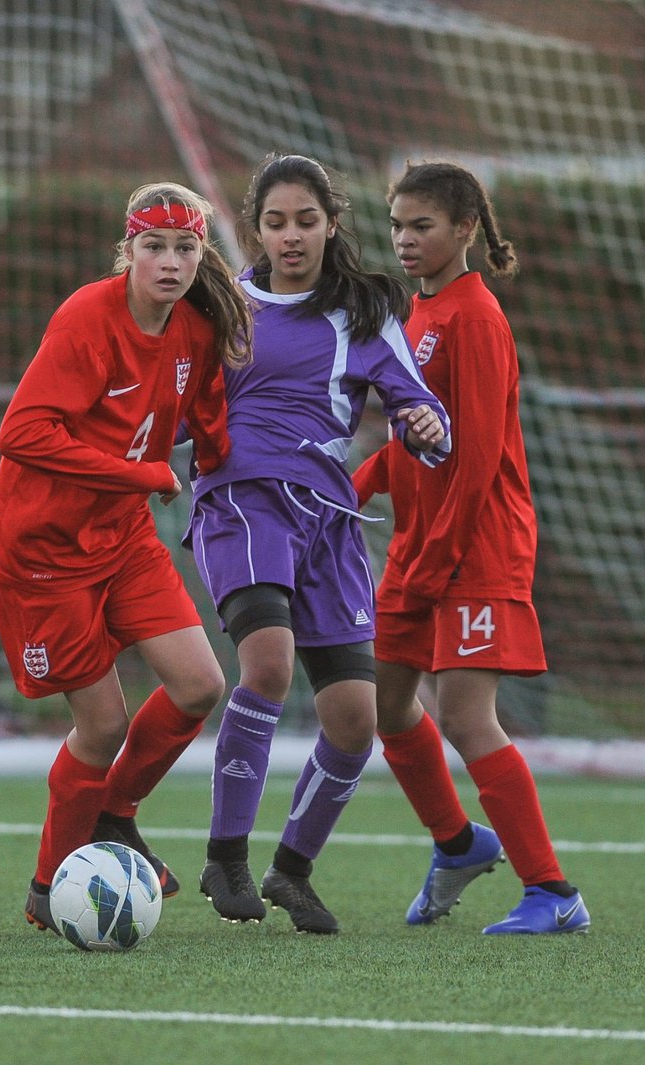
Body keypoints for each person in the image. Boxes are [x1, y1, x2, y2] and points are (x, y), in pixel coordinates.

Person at [0, 182, 253, 935]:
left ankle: (113, 813)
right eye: (154, 247)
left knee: (200, 684)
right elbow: (21, 434)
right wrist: (144, 474)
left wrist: (228, 458)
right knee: (101, 727)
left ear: (201, 255)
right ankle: (48, 885)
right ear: (126, 250)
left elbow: (204, 413)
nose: (169, 262)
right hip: (43, 552)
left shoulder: (195, 326)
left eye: (186, 248)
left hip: (122, 539)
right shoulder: (86, 318)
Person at [185, 153, 450, 934]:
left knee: (355, 719)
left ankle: (291, 870)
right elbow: (174, 398)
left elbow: (420, 407)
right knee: (267, 663)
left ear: (332, 224)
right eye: (275, 222)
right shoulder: (221, 305)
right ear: (256, 229)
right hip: (241, 500)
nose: (291, 235)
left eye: (306, 220)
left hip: (328, 523)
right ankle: (224, 855)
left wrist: (428, 425)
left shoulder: (365, 314)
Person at [353, 161, 590, 935]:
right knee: (387, 708)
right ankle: (456, 844)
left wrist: (441, 556)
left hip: (476, 547)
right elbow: (411, 442)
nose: (405, 239)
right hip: (424, 546)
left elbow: (480, 454)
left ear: (464, 231)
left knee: (463, 712)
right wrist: (346, 490)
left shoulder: (477, 319)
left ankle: (553, 891)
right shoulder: (412, 317)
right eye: (397, 225)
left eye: (421, 226)